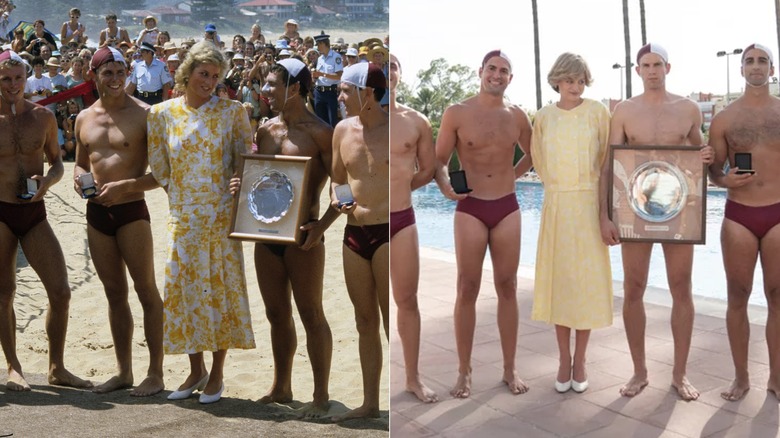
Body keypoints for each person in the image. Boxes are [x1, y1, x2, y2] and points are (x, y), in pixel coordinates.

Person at [600, 43, 713, 401]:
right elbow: (610, 165)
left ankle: (680, 375)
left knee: (682, 287)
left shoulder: (687, 108)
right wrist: (604, 215)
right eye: (646, 65)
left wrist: (707, 154)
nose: (652, 70)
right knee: (634, 287)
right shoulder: (624, 112)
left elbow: (701, 155)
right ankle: (640, 371)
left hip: (680, 209)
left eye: (658, 64)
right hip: (635, 209)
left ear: (668, 67)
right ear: (637, 70)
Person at [147, 40, 255, 404]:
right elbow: (161, 168)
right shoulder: (161, 114)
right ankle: (195, 370)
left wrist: (239, 180)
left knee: (219, 292)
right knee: (184, 292)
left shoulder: (233, 112)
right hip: (183, 217)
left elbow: (246, 159)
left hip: (221, 217)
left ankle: (218, 373)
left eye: (215, 75)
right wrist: (184, 200)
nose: (209, 81)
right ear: (187, 72)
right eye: (203, 73)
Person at [434, 50, 532, 398]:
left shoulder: (518, 116)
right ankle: (464, 371)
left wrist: (512, 178)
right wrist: (446, 186)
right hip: (471, 207)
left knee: (507, 286)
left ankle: (509, 368)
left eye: (504, 70)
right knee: (467, 287)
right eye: (492, 68)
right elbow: (440, 160)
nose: (497, 75)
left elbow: (533, 154)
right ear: (481, 72)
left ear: (510, 78)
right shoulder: (457, 113)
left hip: (507, 207)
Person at [72, 46, 165, 396]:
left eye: (120, 72)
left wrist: (127, 185)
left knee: (146, 291)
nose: (115, 79)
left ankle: (155, 373)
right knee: (114, 293)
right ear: (93, 75)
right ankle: (124, 371)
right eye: (107, 73)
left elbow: (162, 174)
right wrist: (79, 177)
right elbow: (81, 162)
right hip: (96, 213)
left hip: (131, 212)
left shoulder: (145, 114)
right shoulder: (84, 118)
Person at [250, 58, 338, 418]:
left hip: (304, 237)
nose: (265, 91)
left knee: (311, 314)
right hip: (266, 234)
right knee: (275, 313)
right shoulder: (265, 131)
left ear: (296, 88)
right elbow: (258, 178)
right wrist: (242, 187)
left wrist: (323, 227)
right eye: (265, 85)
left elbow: (342, 188)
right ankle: (282, 386)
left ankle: (320, 395)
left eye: (272, 84)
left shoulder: (320, 133)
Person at [0, 50, 92, 392]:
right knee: (4, 293)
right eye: (5, 79)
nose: (12, 85)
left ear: (27, 79)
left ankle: (57, 367)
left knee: (61, 291)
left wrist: (48, 183)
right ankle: (13, 366)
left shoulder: (43, 117)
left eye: (18, 78)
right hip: (1, 210)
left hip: (34, 210)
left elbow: (56, 162)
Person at [531, 53, 612, 394]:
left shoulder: (598, 113)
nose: (575, 87)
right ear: (557, 81)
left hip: (590, 207)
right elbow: (538, 161)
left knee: (586, 287)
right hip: (558, 208)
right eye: (569, 80)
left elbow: (607, 164)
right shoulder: (544, 117)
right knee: (561, 285)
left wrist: (605, 214)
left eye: (580, 81)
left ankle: (581, 360)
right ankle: (564, 360)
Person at [707, 43, 780, 402]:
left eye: (761, 61)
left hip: (779, 213)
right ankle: (741, 377)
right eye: (749, 61)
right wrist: (724, 181)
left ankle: (777, 378)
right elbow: (713, 171)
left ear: (771, 68)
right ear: (741, 69)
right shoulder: (724, 119)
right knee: (738, 295)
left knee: (777, 297)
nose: (755, 66)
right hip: (739, 215)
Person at [330, 62, 389, 420]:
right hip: (354, 233)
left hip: (388, 232)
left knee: (390, 321)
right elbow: (338, 179)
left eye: (345, 90)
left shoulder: (395, 129)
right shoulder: (341, 130)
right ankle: (369, 404)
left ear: (367, 93)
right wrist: (338, 200)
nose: (339, 96)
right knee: (364, 321)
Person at [388, 53, 438, 403]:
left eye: (393, 64)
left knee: (407, 300)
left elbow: (429, 168)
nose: (388, 70)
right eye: (381, 64)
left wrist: (403, 188)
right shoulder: (355, 120)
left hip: (402, 219)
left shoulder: (416, 121)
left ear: (400, 75)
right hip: (368, 220)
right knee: (370, 309)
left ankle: (412, 378)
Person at [312, 33, 343, 127]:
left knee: (331, 122)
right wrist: (315, 76)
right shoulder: (320, 58)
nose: (317, 47)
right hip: (318, 92)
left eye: (318, 44)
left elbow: (339, 76)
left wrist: (322, 74)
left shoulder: (336, 57)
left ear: (323, 44)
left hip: (330, 93)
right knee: (320, 122)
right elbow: (319, 75)